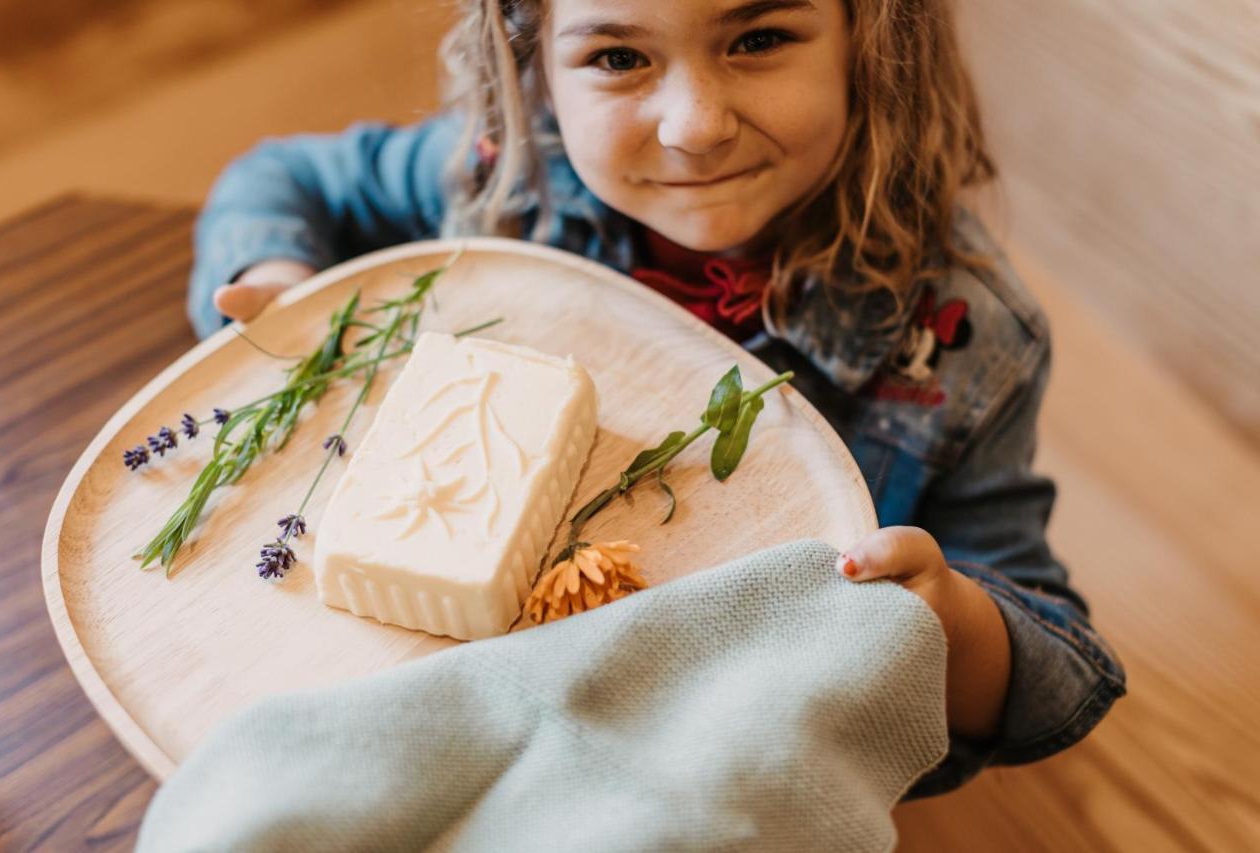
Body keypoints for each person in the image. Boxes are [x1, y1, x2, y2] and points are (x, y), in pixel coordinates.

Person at [187, 0, 1126, 797]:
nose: (695, 124)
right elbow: (283, 178)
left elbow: (1056, 646)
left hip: (717, 751)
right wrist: (278, 275)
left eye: (757, 39)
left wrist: (949, 623)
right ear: (534, 69)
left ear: (874, 37)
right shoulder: (507, 174)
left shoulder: (965, 336)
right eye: (620, 57)